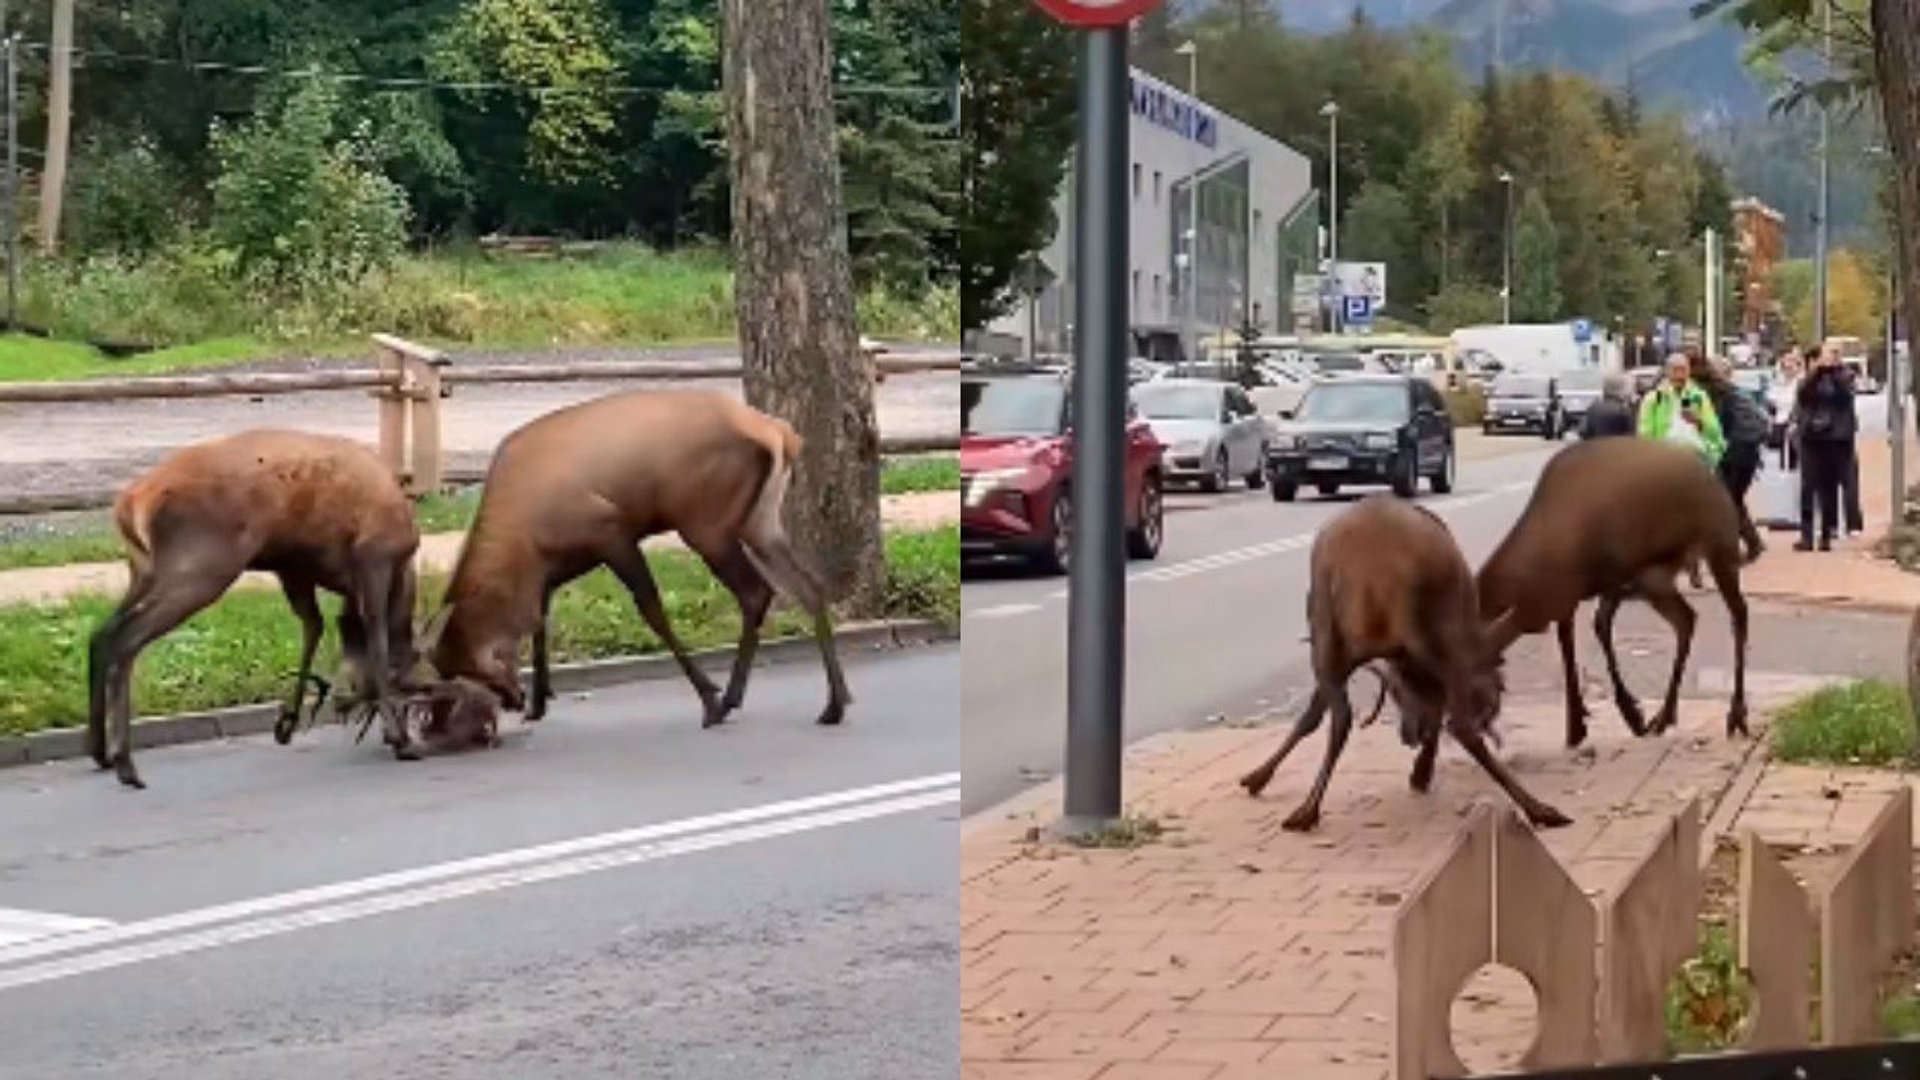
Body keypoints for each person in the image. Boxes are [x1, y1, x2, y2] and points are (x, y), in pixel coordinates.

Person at [1693, 353, 1769, 561]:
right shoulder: (1738, 394)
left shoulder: (1722, 395)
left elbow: (1716, 426)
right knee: (1732, 500)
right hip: (1747, 451)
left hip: (1735, 451)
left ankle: (1733, 550)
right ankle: (1752, 543)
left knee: (1725, 501)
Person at [1794, 342, 1859, 551]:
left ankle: (1825, 535)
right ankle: (1806, 535)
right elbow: (1803, 394)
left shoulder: (1845, 376)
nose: (1829, 358)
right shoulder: (1808, 379)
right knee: (1808, 487)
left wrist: (1834, 370)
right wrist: (1817, 372)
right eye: (1827, 354)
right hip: (1811, 439)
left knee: (1828, 489)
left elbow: (1845, 397)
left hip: (1835, 439)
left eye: (1833, 354)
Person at [1638, 351, 1725, 469]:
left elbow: (1715, 433)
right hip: (1663, 463)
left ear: (1689, 371)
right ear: (1667, 372)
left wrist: (1698, 421)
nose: (1679, 375)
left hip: (1695, 462)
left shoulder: (1699, 397)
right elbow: (1645, 434)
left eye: (1683, 370)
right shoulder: (1653, 399)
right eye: (1675, 370)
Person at [1579, 372, 1637, 439]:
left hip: (1597, 447)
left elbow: (1584, 432)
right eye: (1631, 388)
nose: (1633, 391)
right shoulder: (1623, 411)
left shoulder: (1593, 408)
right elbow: (1631, 438)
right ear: (1622, 390)